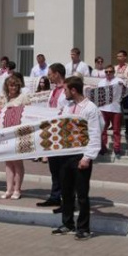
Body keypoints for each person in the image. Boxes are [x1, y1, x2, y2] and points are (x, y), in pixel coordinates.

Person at [51, 77, 102, 240]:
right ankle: (67, 223)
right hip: (65, 155)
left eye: (65, 90)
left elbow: (95, 133)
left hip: (81, 156)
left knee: (81, 194)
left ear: (73, 90)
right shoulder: (67, 105)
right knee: (66, 193)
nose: (63, 93)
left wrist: (88, 157)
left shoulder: (90, 108)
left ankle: (84, 228)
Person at [36, 63, 69, 210]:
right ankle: (55, 196)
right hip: (52, 132)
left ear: (57, 74)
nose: (49, 76)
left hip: (64, 132)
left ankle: (66, 198)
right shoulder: (53, 90)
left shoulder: (68, 89)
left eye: (50, 74)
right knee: (54, 167)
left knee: (64, 168)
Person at [0, 76, 29, 199]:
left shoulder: (23, 97)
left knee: (17, 162)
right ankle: (9, 189)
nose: (13, 88)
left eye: (16, 85)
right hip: (6, 134)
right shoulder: (4, 99)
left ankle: (17, 189)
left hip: (18, 133)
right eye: (11, 85)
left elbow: (28, 113)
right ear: (7, 86)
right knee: (8, 162)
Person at [98, 65, 126, 157]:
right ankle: (103, 147)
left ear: (114, 72)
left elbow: (125, 92)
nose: (108, 73)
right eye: (106, 72)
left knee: (116, 130)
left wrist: (123, 87)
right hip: (103, 108)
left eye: (110, 71)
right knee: (103, 129)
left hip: (115, 108)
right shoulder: (101, 82)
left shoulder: (119, 81)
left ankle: (117, 147)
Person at [115, 50, 128, 140]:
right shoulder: (115, 68)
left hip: (126, 94)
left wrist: (124, 79)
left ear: (125, 57)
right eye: (117, 56)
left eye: (120, 56)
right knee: (117, 113)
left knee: (127, 114)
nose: (118, 58)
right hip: (117, 95)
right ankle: (117, 130)